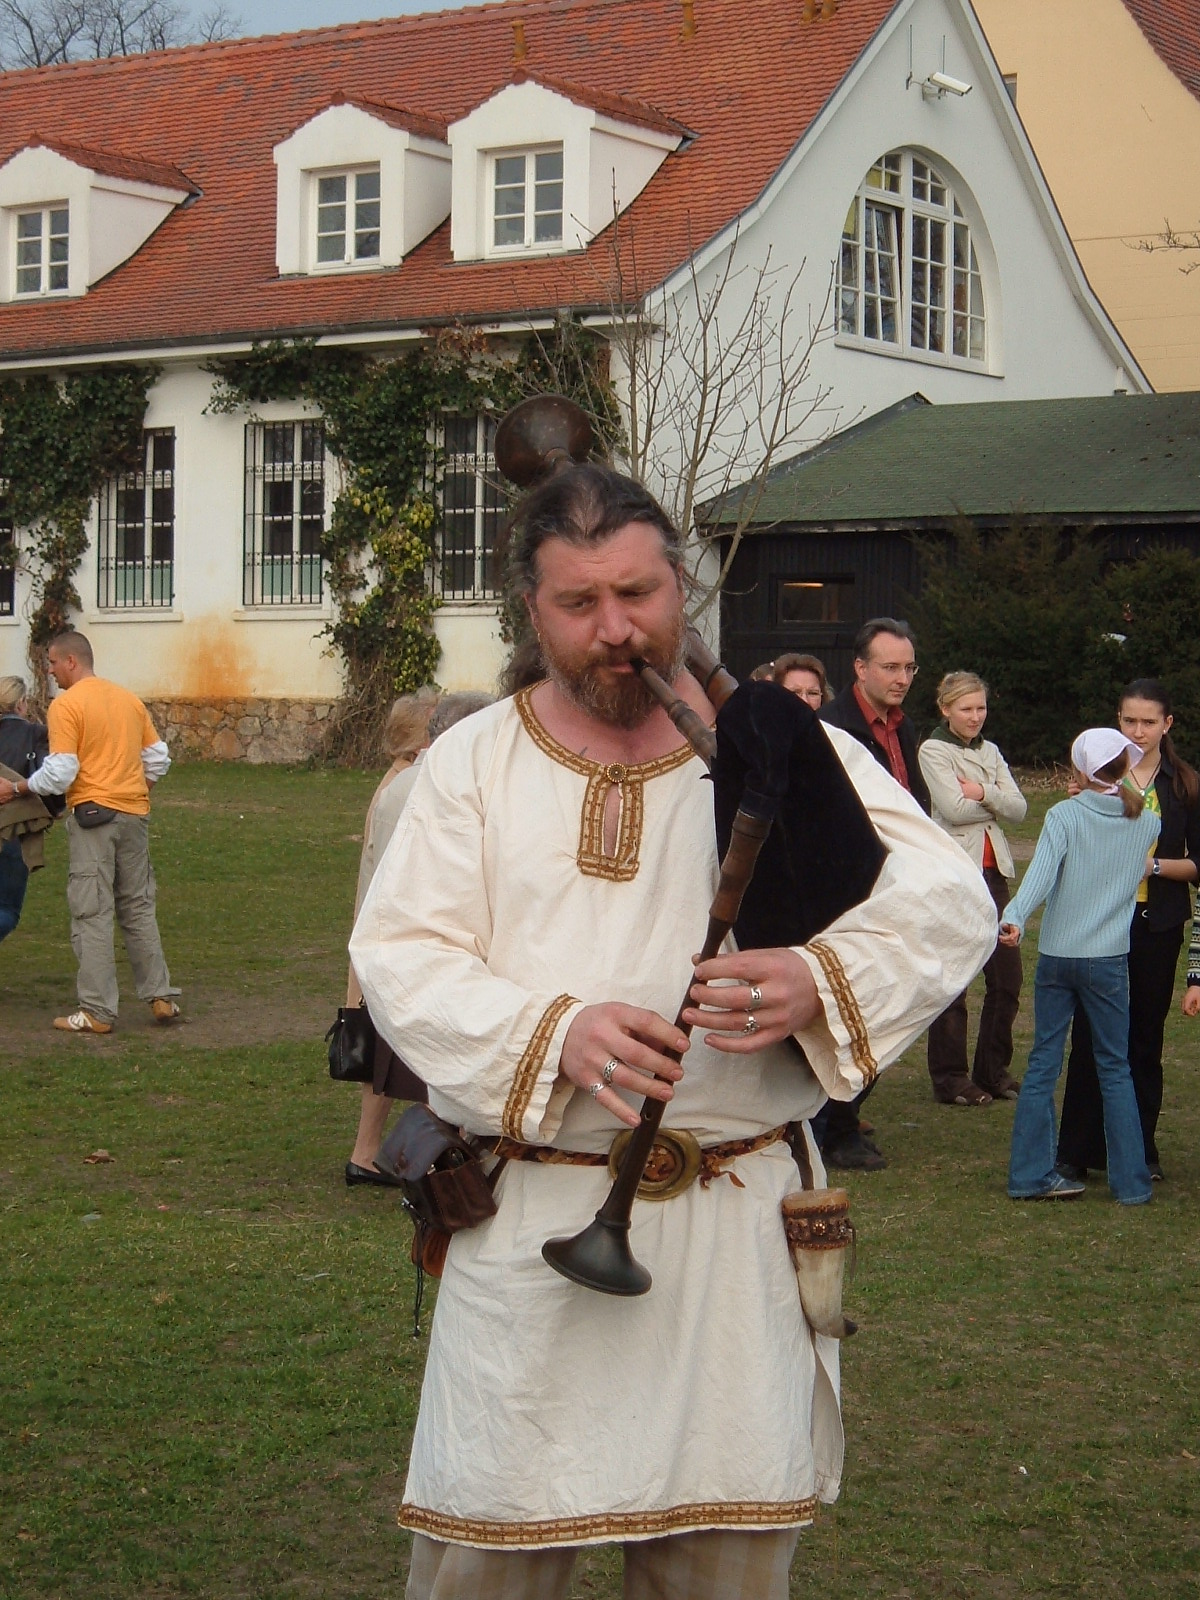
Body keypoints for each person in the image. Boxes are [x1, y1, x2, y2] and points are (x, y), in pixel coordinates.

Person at [351, 461, 994, 1599]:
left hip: (732, 1240)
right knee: (486, 1561)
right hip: (532, 1228)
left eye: (638, 594)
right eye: (580, 603)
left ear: (680, 591)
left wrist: (818, 975)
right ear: (532, 611)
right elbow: (402, 954)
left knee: (722, 1571)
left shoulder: (784, 749)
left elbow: (945, 901)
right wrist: (552, 1032)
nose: (616, 629)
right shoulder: (475, 763)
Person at [1000, 729, 1157, 1205]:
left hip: (1058, 956)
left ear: (1080, 771)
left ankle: (1029, 1176)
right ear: (1124, 767)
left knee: (1043, 1064)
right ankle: (1132, 1184)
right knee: (1115, 1067)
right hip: (1107, 960)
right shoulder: (1147, 822)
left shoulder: (1064, 815)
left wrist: (1014, 916)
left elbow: (1041, 876)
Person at [345, 688, 493, 1186]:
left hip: (399, 938)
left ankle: (376, 1154)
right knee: (422, 1056)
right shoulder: (423, 784)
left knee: (395, 1057)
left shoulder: (407, 782)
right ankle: (417, 1160)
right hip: (416, 940)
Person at [0, 632, 180, 1033]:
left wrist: (17, 788)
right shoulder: (128, 700)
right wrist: (133, 791)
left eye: (52, 662)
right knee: (138, 906)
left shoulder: (67, 705)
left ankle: (97, 1011)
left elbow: (61, 772)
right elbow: (158, 759)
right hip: (135, 815)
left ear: (71, 662)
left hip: (93, 817)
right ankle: (161, 996)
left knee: (91, 911)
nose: (49, 671)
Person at [1057, 680, 1200, 1183]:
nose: (1137, 731)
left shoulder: (1185, 785)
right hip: (1100, 920)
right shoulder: (1097, 775)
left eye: (1148, 722)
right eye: (1128, 720)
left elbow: (1197, 864)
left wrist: (1151, 867)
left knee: (1143, 1037)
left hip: (1156, 924)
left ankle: (1140, 1150)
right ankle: (1076, 1150)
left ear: (1167, 724)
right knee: (1090, 1034)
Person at [816, 618, 930, 1168]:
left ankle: (841, 1119)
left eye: (909, 667)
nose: (902, 678)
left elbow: (913, 803)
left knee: (885, 1004)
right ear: (860, 668)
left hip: (894, 883)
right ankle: (831, 1129)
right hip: (847, 889)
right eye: (890, 667)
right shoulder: (832, 729)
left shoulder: (902, 728)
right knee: (848, 1006)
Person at [918, 672, 1027, 1106]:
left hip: (993, 875)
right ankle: (950, 1077)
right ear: (946, 709)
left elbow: (1019, 809)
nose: (975, 716)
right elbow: (953, 809)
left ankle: (992, 1070)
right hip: (955, 875)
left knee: (1007, 978)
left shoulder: (990, 751)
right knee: (955, 979)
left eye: (981, 708)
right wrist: (994, 799)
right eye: (966, 708)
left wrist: (982, 790)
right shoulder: (933, 750)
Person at [0, 675, 61, 941]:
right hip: (16, 828)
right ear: (21, 703)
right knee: (7, 909)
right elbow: (51, 779)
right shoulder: (36, 734)